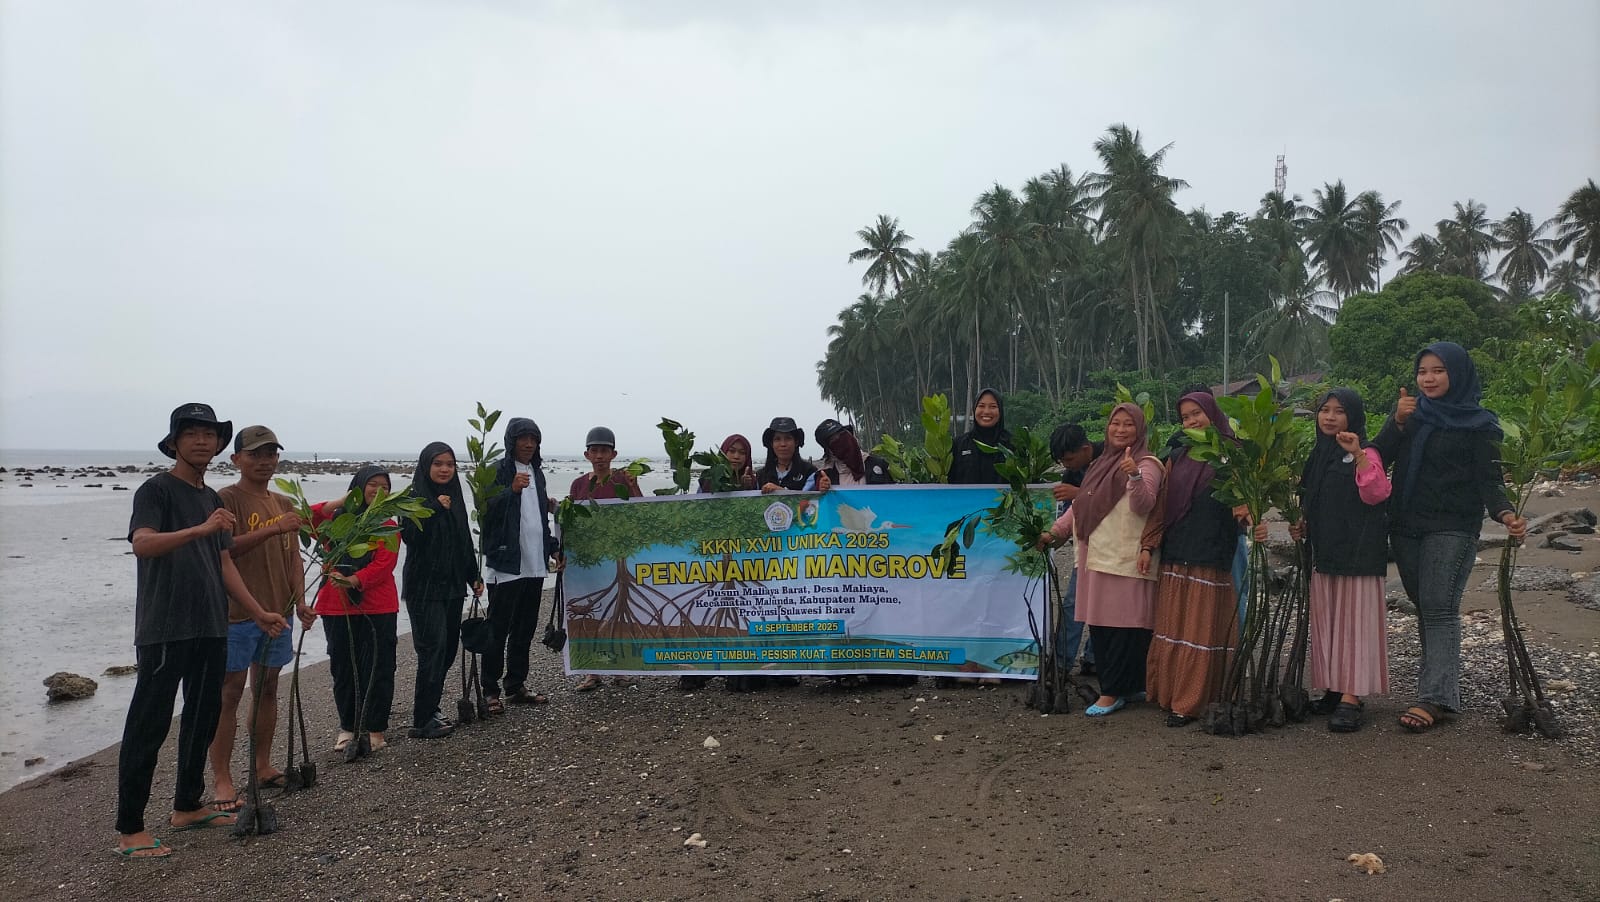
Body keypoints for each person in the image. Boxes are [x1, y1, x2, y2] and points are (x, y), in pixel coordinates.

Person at [116, 404, 288, 858]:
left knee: (202, 716)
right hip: (165, 627)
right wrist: (199, 530)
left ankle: (187, 806)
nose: (201, 441)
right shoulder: (156, 490)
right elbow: (142, 544)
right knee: (149, 723)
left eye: (208, 434)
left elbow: (224, 562)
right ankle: (130, 829)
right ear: (174, 442)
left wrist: (257, 612)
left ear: (218, 444)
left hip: (212, 625)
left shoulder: (211, 498)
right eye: (191, 433)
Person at [1373, 342, 1527, 733]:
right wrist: (1396, 422)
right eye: (1423, 371)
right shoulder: (1412, 415)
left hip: (1453, 527)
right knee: (1424, 606)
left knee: (1439, 607)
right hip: (1405, 526)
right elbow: (1376, 457)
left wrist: (1506, 513)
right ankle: (1437, 685)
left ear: (1457, 374)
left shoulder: (1481, 425)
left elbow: (1489, 480)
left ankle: (1436, 697)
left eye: (1438, 370)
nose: (1428, 378)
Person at [1276, 388, 1393, 733]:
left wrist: (1357, 454)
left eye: (1339, 411)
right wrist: (1301, 525)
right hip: (1324, 554)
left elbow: (1376, 493)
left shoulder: (1368, 451)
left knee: (1355, 626)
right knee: (1328, 624)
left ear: (1353, 417)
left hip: (1358, 555)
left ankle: (1352, 697)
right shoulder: (1318, 455)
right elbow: (1312, 501)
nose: (1329, 417)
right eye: (1324, 410)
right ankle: (1333, 689)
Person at [208, 426, 312, 810]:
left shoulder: (284, 503)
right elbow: (224, 551)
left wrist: (300, 602)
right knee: (229, 693)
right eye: (255, 454)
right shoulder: (226, 499)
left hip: (279, 612)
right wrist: (272, 528)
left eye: (271, 454)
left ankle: (262, 765)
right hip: (237, 615)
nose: (265, 461)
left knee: (267, 688)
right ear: (236, 459)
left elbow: (293, 558)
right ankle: (222, 779)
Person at [1039, 403, 1165, 717]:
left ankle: (1112, 692)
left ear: (1140, 429)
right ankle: (1127, 687)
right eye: (1115, 423)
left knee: (1126, 628)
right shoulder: (1099, 464)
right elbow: (1080, 506)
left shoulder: (1148, 464)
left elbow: (1145, 505)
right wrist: (1055, 532)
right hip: (1096, 556)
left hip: (1126, 559)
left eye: (1128, 424)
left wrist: (1134, 475)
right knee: (1102, 626)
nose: (1121, 430)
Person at [1146, 394, 1247, 728]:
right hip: (1177, 553)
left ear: (1212, 414)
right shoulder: (1178, 455)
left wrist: (1250, 512)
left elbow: (1245, 502)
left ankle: (1190, 702)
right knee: (1174, 626)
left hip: (1211, 554)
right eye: (1185, 417)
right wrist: (1148, 545)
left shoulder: (1232, 454)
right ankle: (1170, 694)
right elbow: (1161, 505)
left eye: (1197, 414)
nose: (1191, 421)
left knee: (1201, 631)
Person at [312, 465, 400, 755]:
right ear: (358, 486)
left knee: (379, 666)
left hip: (378, 605)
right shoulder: (336, 521)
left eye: (385, 486)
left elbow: (385, 563)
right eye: (372, 484)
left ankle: (375, 728)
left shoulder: (387, 524)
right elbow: (304, 518)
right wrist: (341, 502)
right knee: (343, 668)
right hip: (336, 605)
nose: (378, 490)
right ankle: (348, 727)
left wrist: (354, 579)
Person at [400, 442, 483, 739]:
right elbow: (409, 536)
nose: (445, 469)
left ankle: (432, 708)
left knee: (447, 650)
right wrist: (435, 508)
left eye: (449, 464)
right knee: (431, 649)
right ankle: (422, 719)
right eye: (438, 464)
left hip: (452, 585)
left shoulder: (455, 496)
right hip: (423, 587)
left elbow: (463, 540)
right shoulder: (413, 498)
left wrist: (473, 576)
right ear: (426, 466)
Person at [481, 418, 561, 706]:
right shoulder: (497, 471)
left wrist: (552, 548)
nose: (528, 444)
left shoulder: (537, 473)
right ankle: (490, 690)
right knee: (498, 629)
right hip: (506, 564)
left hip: (534, 563)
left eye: (533, 439)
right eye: (522, 438)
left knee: (524, 629)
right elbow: (484, 511)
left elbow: (538, 519)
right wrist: (510, 490)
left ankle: (515, 686)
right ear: (511, 441)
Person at [569, 426, 642, 691]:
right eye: (594, 450)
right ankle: (593, 671)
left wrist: (633, 486)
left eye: (604, 450)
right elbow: (571, 521)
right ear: (587, 454)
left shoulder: (622, 480)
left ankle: (620, 670)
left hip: (617, 559)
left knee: (617, 613)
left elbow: (641, 511)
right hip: (589, 562)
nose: (599, 456)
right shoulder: (579, 485)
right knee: (593, 614)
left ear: (614, 454)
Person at [1047, 424, 1101, 675]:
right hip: (1086, 546)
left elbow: (1116, 499)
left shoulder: (1108, 459)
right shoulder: (1070, 474)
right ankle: (1062, 663)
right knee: (1073, 604)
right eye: (1061, 461)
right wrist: (1054, 537)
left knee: (1103, 607)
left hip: (1113, 548)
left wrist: (1079, 493)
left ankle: (1092, 658)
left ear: (1086, 449)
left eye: (1069, 459)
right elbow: (1072, 516)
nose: (1065, 465)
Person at [950, 388, 1011, 485]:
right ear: (974, 409)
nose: (986, 411)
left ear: (1000, 410)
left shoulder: (1013, 444)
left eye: (993, 406)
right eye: (981, 406)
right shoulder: (958, 444)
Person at [756, 417, 826, 492]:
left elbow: (808, 497)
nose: (783, 444)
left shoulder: (809, 472)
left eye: (788, 438)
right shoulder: (761, 475)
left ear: (796, 442)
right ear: (771, 444)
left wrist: (824, 486)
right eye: (777, 439)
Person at [814, 419, 893, 486]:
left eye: (842, 434)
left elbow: (893, 494)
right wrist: (823, 489)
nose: (842, 440)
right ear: (830, 450)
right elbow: (817, 497)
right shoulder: (826, 475)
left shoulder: (877, 464)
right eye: (833, 440)